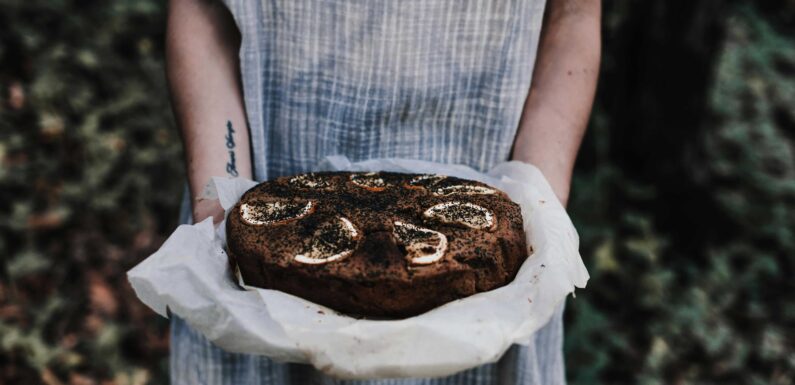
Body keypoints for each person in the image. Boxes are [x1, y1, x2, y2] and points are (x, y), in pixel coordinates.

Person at [165, 0, 600, 383]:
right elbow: (202, 7)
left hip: (491, 266)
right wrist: (218, 198)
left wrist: (536, 195)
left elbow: (575, 11)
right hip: (260, 237)